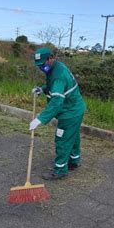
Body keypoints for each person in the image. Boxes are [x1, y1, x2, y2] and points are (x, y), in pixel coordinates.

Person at [29, 47, 86, 180]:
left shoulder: (58, 75)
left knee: (62, 140)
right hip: (76, 109)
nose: (41, 68)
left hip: (69, 112)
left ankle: (60, 170)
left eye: (43, 64)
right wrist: (42, 89)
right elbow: (54, 86)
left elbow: (56, 102)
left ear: (50, 58)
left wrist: (40, 119)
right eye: (38, 66)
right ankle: (74, 161)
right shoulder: (57, 67)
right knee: (73, 136)